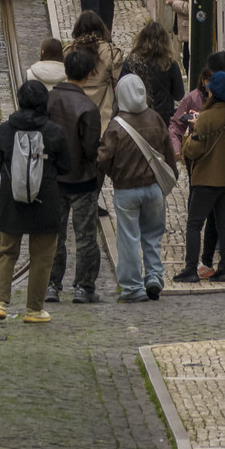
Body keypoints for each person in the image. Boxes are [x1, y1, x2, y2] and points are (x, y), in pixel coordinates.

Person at [0, 77, 68, 322]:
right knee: (41, 257)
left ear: (20, 101)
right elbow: (66, 165)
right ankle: (34, 309)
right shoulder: (54, 131)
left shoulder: (5, 130)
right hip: (46, 202)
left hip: (13, 201)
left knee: (7, 251)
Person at [97, 71, 179, 300]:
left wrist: (114, 173)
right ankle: (153, 277)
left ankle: (133, 287)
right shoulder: (155, 118)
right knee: (152, 236)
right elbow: (168, 154)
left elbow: (102, 159)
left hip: (126, 190)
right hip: (154, 189)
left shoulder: (116, 125)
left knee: (129, 238)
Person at [178, 68, 225, 282]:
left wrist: (189, 139)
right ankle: (224, 270)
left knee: (194, 223)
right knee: (224, 223)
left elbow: (193, 151)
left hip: (206, 180)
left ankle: (191, 268)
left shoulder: (207, 118)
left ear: (214, 93)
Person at [45, 44, 104, 303]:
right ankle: (83, 286)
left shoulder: (49, 100)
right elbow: (92, 149)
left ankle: (51, 285)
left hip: (54, 180)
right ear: (89, 74)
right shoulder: (88, 107)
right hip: (82, 180)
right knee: (85, 237)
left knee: (54, 236)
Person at [69, 8, 122, 128]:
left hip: (75, 109)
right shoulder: (111, 52)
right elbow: (119, 81)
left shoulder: (69, 51)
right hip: (104, 112)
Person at [126, 18, 186, 122]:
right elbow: (179, 94)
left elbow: (122, 89)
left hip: (135, 116)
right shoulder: (170, 64)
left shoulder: (131, 62)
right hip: (162, 118)